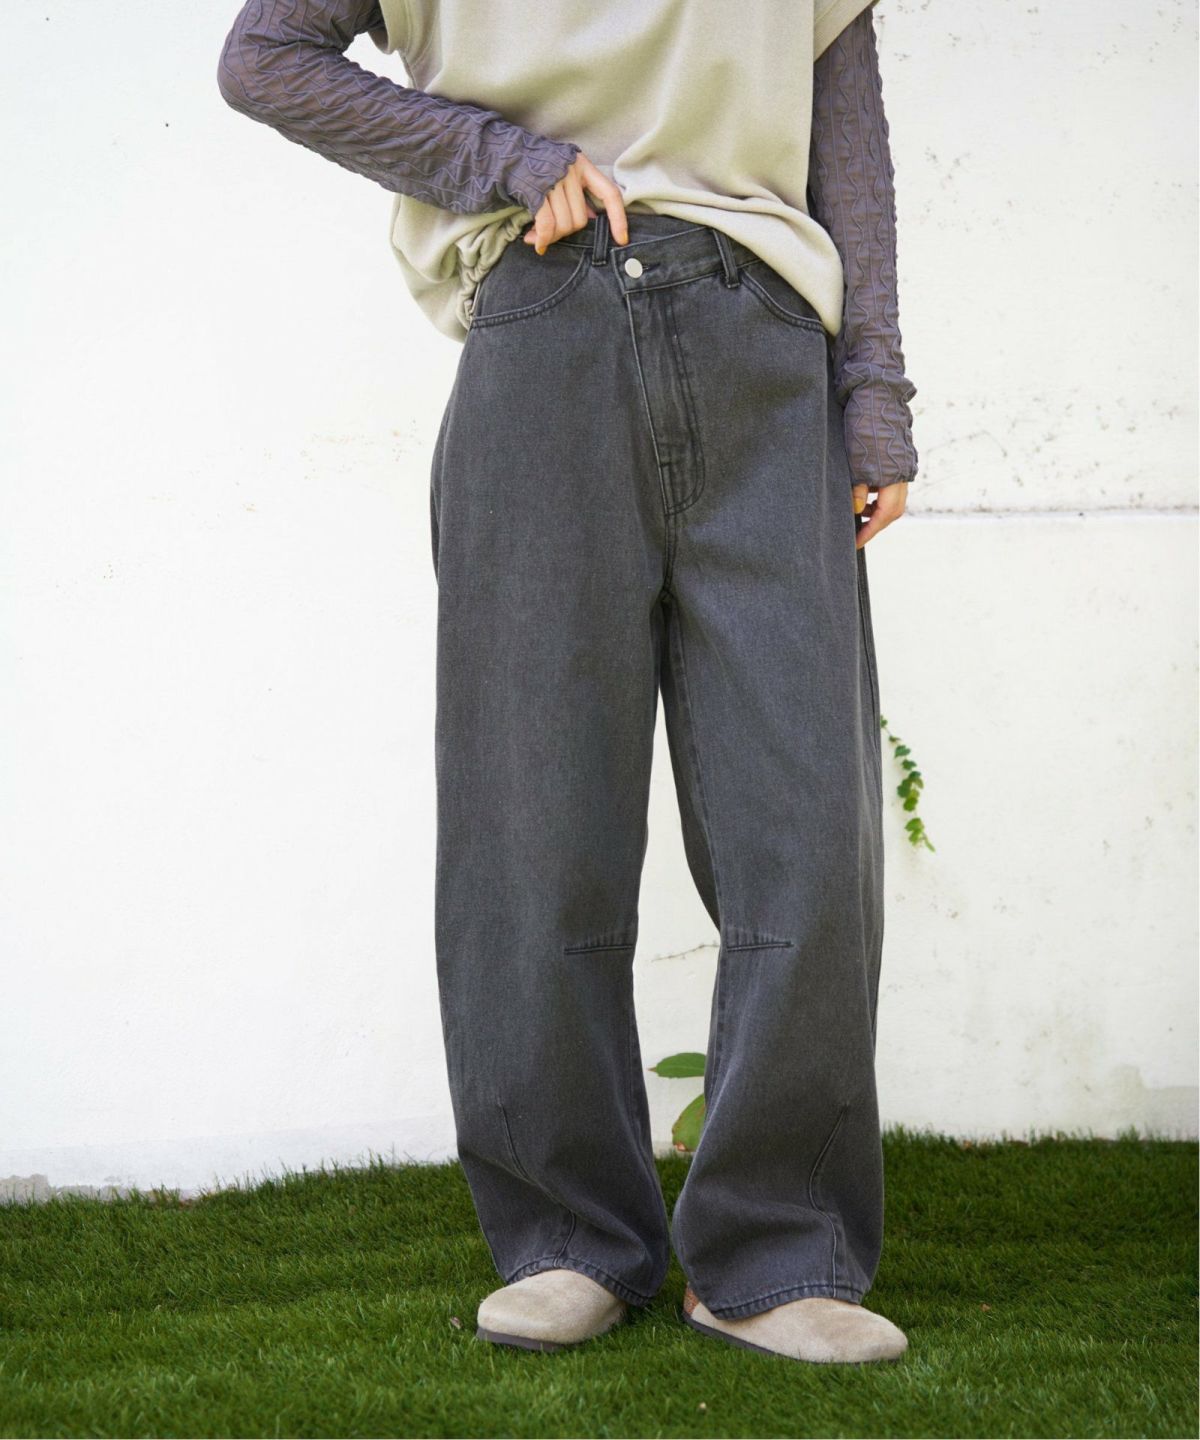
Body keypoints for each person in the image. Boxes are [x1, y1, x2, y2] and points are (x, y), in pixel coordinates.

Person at [217, 0, 918, 1365]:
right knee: (533, 828)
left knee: (807, 831)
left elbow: (851, 137)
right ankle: (566, 1236)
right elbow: (266, 57)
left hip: (766, 347)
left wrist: (876, 388)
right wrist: (504, 160)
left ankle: (777, 1253)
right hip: (539, 329)